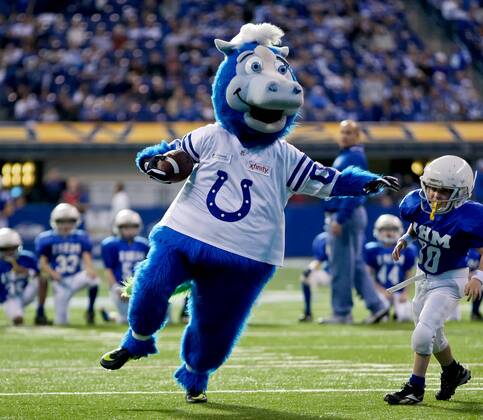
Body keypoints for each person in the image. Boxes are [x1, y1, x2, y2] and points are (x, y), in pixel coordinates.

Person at [384, 155, 483, 405]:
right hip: (423, 278)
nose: (435, 195)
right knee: (434, 336)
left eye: (444, 190)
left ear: (461, 192)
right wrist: (405, 239)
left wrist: (478, 277)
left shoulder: (469, 216)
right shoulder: (419, 204)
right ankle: (453, 371)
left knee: (422, 333)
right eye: (432, 187)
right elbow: (419, 224)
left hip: (450, 281)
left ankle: (414, 387)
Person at [320, 120, 389, 324]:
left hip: (346, 215)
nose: (345, 136)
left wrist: (339, 218)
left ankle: (341, 313)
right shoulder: (350, 155)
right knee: (356, 264)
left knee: (341, 266)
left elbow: (357, 191)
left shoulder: (353, 156)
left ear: (358, 136)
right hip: (351, 214)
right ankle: (377, 306)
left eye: (349, 133)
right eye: (342, 132)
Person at [35, 203, 99, 325]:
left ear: (76, 221)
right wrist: (53, 274)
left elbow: (87, 258)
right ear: (54, 221)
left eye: (69, 221)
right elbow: (42, 263)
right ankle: (43, 312)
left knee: (94, 279)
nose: (66, 225)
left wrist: (90, 269)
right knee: (61, 321)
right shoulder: (46, 238)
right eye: (61, 221)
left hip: (75, 277)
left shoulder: (81, 236)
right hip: (59, 282)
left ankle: (90, 310)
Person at [364, 214, 416, 322]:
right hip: (381, 291)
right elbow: (368, 276)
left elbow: (408, 273)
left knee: (405, 317)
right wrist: (381, 291)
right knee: (382, 315)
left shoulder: (408, 250)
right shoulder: (372, 249)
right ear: (377, 231)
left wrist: (405, 293)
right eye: (385, 229)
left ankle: (397, 313)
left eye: (393, 229)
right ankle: (384, 312)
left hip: (399, 291)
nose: (389, 233)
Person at [100, 209, 149, 324]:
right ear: (118, 228)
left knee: (147, 316)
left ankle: (110, 316)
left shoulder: (143, 244)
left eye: (133, 227)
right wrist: (117, 289)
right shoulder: (110, 244)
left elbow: (148, 269)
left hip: (140, 286)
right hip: (119, 287)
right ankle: (111, 317)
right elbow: (108, 270)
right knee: (127, 320)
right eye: (126, 227)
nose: (130, 230)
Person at [0, 228, 43, 325]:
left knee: (41, 280)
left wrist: (25, 271)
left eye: (12, 248)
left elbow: (40, 275)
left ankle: (41, 311)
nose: (9, 252)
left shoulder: (27, 258)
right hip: (9, 297)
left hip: (25, 292)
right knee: (18, 319)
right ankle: (16, 310)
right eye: (5, 249)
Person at [298, 231, 332, 322]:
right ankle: (308, 312)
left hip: (345, 273)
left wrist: (310, 269)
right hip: (331, 273)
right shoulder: (324, 239)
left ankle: (340, 313)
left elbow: (319, 260)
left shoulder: (343, 237)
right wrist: (309, 269)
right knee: (305, 278)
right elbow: (319, 260)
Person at [466, 248, 482, 321]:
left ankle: (475, 312)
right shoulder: (463, 248)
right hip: (460, 276)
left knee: (480, 287)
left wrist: (475, 275)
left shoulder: (479, 251)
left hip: (475, 277)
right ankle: (475, 313)